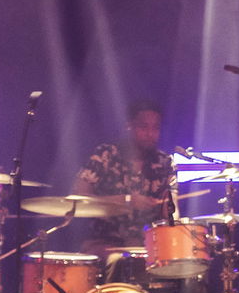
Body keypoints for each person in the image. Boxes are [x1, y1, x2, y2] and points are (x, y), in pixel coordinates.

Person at [73, 98, 175, 249]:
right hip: (104, 243)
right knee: (115, 260)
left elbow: (173, 207)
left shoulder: (165, 162)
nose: (150, 133)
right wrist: (127, 200)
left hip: (148, 245)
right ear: (130, 126)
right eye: (144, 127)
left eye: (156, 128)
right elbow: (78, 198)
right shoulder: (106, 155)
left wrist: (171, 213)